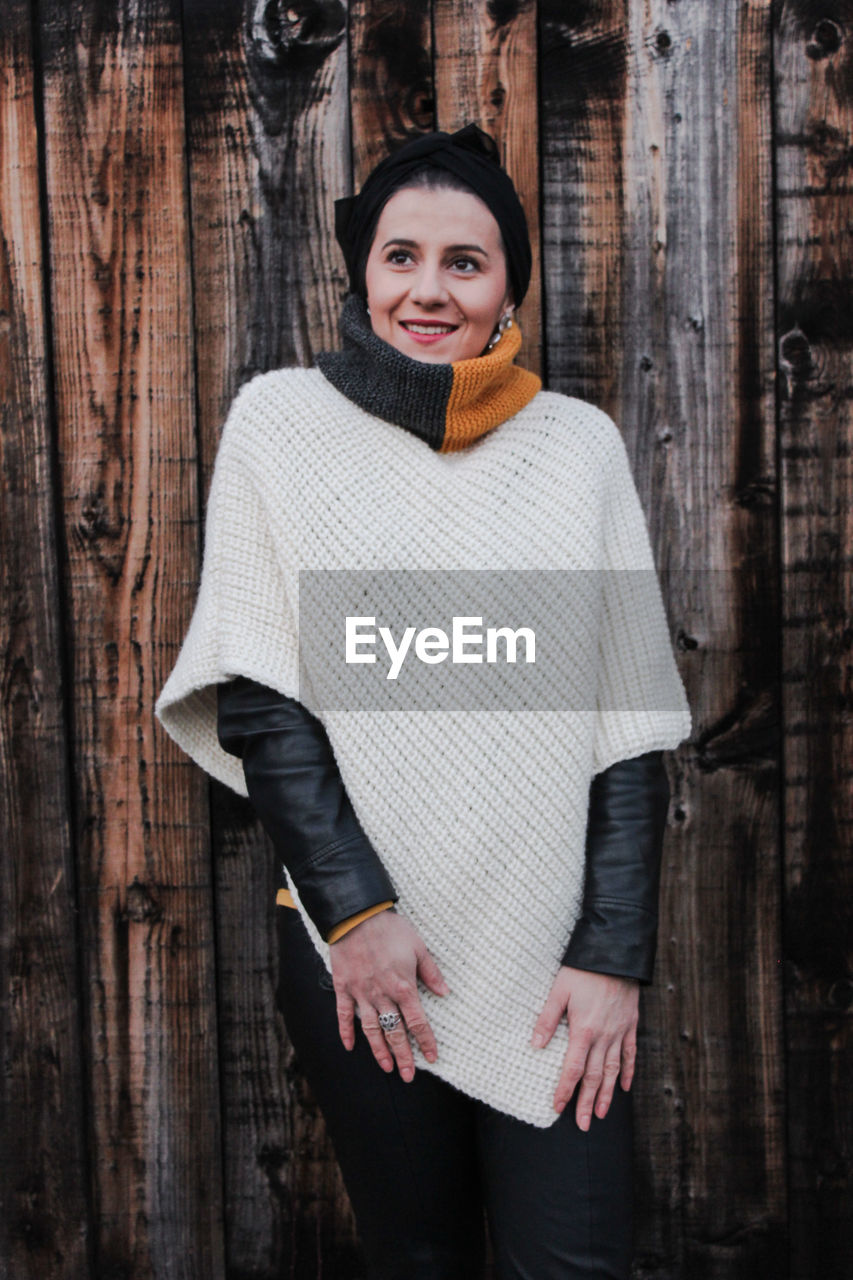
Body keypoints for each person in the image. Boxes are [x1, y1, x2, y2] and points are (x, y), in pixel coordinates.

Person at [155, 123, 692, 1279]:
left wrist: (612, 956)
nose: (428, 290)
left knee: (573, 1262)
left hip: (557, 969)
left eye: (465, 260)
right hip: (368, 956)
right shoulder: (281, 426)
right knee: (419, 1255)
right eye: (402, 255)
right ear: (362, 268)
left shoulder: (577, 448)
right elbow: (263, 700)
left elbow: (628, 733)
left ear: (508, 285)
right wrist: (355, 916)